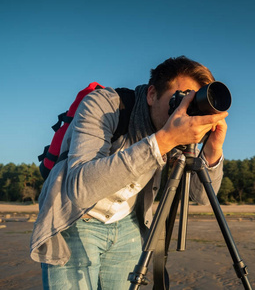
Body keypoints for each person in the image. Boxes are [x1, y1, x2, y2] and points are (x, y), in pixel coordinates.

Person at [30, 56, 228, 289]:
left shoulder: (176, 131)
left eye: (193, 104)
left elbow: (202, 197)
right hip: (73, 219)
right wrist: (164, 140)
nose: (185, 113)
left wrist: (213, 149)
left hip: (128, 224)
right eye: (181, 100)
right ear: (152, 94)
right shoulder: (104, 105)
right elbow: (80, 189)